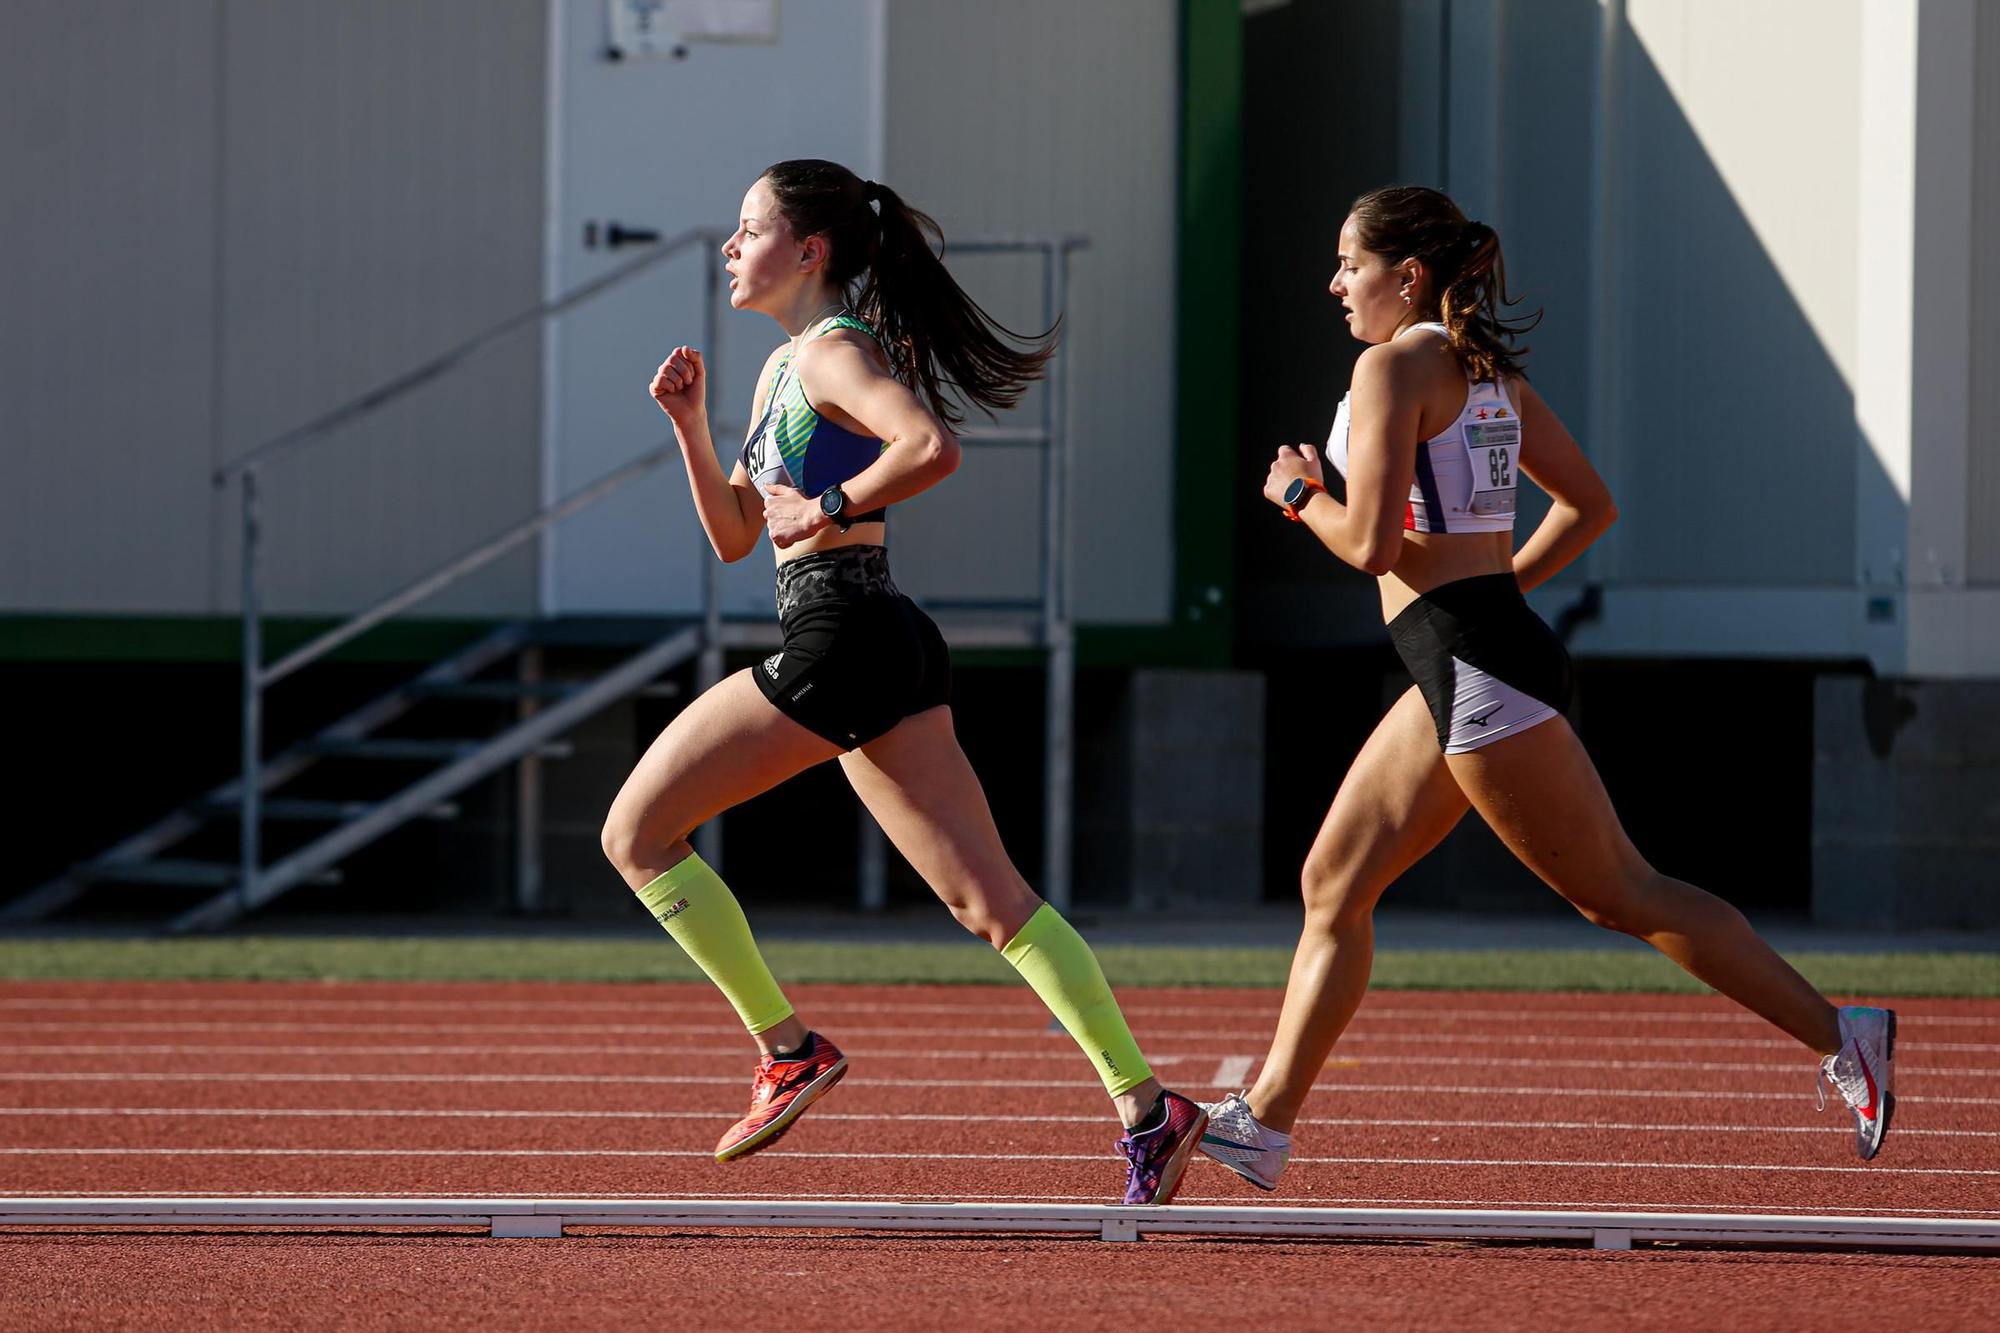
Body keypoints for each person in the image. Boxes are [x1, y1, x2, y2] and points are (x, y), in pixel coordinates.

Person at [1196, 185, 1895, 1192]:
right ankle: (1261, 1123)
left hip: (1471, 661)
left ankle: (1844, 1036)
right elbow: (1588, 505)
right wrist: (1491, 598)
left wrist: (1298, 491)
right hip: (1473, 648)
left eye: (1348, 264)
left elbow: (1370, 544)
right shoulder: (1483, 368)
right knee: (1332, 885)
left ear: (1407, 276)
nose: (1332, 283)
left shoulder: (1393, 365)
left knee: (1619, 892)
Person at [602, 159, 1207, 1205]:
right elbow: (739, 535)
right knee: (991, 903)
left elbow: (930, 447)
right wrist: (689, 429)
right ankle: (1149, 1109)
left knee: (635, 834)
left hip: (843, 629)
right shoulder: (782, 366)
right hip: (875, 634)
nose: (728, 248)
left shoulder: (834, 352)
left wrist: (829, 501)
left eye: (747, 230)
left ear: (809, 251)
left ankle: (784, 1050)